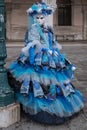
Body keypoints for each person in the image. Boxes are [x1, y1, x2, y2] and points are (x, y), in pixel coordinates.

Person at [8, 2, 84, 124]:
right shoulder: (33, 29)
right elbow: (32, 45)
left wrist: (54, 51)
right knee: (39, 78)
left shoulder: (48, 28)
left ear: (45, 17)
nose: (39, 20)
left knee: (55, 77)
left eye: (42, 17)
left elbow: (52, 42)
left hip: (51, 56)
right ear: (33, 18)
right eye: (37, 18)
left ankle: (55, 97)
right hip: (39, 56)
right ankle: (41, 100)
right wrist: (32, 60)